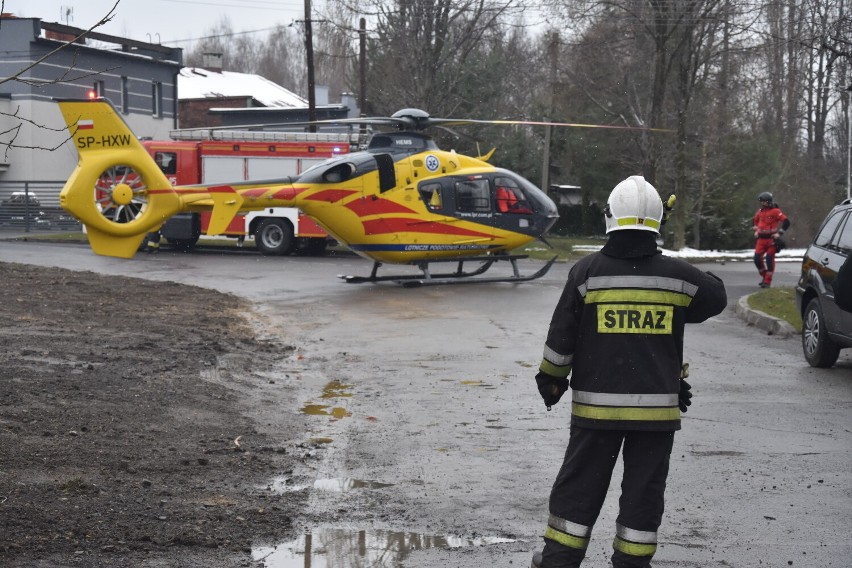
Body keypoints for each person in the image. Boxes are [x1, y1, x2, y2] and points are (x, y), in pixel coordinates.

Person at [530, 175, 728, 568]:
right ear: (656, 223)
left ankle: (558, 561)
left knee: (578, 491)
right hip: (655, 417)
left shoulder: (586, 272)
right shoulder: (677, 277)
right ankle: (632, 564)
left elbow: (561, 339)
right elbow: (715, 296)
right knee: (643, 495)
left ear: (609, 218)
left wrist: (551, 381)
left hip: (595, 416)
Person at [752, 192, 790, 288]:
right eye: (761, 202)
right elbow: (754, 221)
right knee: (757, 259)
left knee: (769, 259)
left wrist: (779, 233)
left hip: (771, 240)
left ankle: (768, 281)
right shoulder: (760, 211)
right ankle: (764, 276)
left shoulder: (776, 211)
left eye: (764, 202)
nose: (762, 203)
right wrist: (756, 230)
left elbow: (786, 222)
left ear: (768, 201)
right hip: (761, 240)